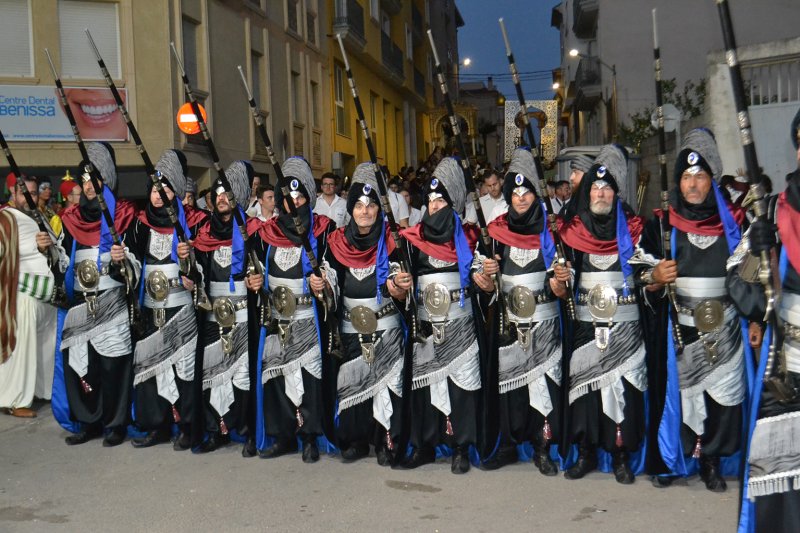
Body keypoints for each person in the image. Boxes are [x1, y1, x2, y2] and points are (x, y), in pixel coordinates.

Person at [642, 128, 747, 492]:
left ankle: (714, 462)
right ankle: (683, 457)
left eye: (699, 176)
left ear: (711, 178)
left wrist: (755, 315)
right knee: (686, 398)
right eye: (686, 176)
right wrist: (654, 275)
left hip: (727, 325)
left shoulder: (734, 220)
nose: (692, 183)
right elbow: (638, 272)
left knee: (724, 400)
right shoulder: (662, 223)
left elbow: (750, 271)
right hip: (681, 328)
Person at [556, 154, 649, 484]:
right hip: (585, 324)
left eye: (606, 188)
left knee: (622, 389)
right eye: (595, 187)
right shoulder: (572, 232)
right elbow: (561, 285)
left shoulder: (635, 229)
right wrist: (558, 282)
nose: (600, 194)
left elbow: (648, 277)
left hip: (625, 326)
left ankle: (621, 454)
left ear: (616, 193)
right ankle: (586, 452)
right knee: (585, 392)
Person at [474, 147, 566, 474]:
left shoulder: (551, 231)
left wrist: (560, 282)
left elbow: (565, 272)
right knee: (508, 385)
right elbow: (479, 271)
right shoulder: (496, 231)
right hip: (508, 321)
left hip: (544, 321)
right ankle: (509, 445)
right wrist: (485, 274)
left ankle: (542, 447)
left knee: (542, 384)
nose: (522, 198)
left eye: (527, 192)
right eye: (516, 193)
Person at [730, 108, 800, 532]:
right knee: (781, 483)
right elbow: (740, 287)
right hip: (787, 366)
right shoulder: (773, 212)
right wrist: (761, 259)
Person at [246, 157, 337, 463]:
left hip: (306, 318)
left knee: (307, 378)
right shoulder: (266, 233)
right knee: (274, 378)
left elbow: (333, 266)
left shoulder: (323, 229)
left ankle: (309, 436)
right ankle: (282, 435)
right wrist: (252, 279)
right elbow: (251, 267)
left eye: (299, 198)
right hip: (275, 317)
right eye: (289, 198)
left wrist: (322, 280)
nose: (294, 203)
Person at [322, 163, 411, 464]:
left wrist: (398, 287)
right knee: (353, 382)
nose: (364, 211)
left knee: (386, 383)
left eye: (370, 206)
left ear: (378, 209)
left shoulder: (391, 240)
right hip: (350, 326)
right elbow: (331, 278)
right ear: (351, 210)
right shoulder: (336, 243)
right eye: (358, 206)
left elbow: (399, 275)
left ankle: (386, 440)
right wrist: (322, 284)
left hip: (385, 325)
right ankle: (355, 440)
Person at [399, 157, 482, 474]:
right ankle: (425, 445)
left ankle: (460, 446)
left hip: (460, 323)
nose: (434, 206)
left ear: (455, 201)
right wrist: (397, 284)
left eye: (441, 200)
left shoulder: (471, 237)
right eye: (431, 200)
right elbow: (398, 274)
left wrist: (483, 280)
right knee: (425, 385)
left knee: (461, 386)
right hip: (426, 324)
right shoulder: (412, 237)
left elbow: (481, 277)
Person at [59, 142, 139, 446]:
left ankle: (115, 423)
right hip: (82, 302)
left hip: (112, 301)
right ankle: (87, 420)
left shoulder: (124, 215)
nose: (88, 186)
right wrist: (49, 251)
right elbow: (64, 261)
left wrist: (123, 260)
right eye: (84, 181)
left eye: (94, 180)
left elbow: (138, 263)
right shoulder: (70, 219)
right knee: (82, 363)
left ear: (105, 180)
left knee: (113, 365)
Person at [124, 150, 199, 450]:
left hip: (180, 307)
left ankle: (186, 426)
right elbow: (132, 262)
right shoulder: (140, 224)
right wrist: (123, 260)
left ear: (177, 190)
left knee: (182, 369)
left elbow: (203, 262)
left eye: (166, 188)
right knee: (151, 368)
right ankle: (157, 426)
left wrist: (189, 259)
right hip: (151, 308)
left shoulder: (192, 220)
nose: (159, 194)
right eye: (155, 188)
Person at [192, 161, 258, 453]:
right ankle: (216, 428)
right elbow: (197, 271)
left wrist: (259, 280)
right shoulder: (203, 230)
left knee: (243, 373)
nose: (221, 197)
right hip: (213, 312)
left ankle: (247, 430)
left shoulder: (254, 230)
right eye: (217, 192)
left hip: (246, 312)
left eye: (228, 192)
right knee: (213, 371)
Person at [0, 175, 67, 417]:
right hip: (23, 292)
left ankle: (41, 391)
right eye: (24, 193)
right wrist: (36, 248)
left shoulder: (39, 217)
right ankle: (15, 399)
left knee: (44, 348)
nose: (29, 198)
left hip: (46, 296)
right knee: (22, 348)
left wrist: (46, 248)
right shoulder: (5, 218)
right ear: (12, 192)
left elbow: (56, 251)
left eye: (33, 193)